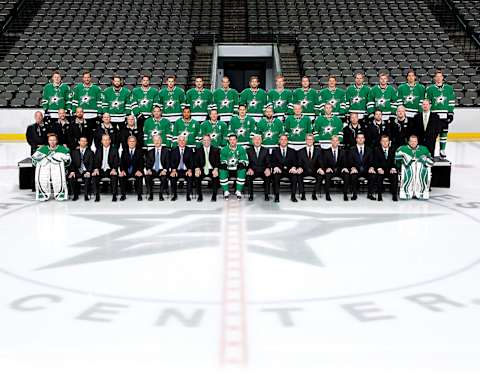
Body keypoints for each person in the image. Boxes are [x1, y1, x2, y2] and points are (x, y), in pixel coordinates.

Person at [32, 133, 71, 201]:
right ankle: (44, 194)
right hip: (45, 168)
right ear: (48, 141)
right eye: (50, 140)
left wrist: (58, 158)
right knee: (42, 178)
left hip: (58, 170)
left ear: (57, 141)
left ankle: (59, 194)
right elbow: (34, 160)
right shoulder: (42, 149)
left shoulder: (62, 149)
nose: (52, 142)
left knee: (58, 179)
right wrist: (43, 159)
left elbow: (68, 160)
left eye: (54, 140)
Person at [425, 69, 455, 158]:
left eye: (440, 77)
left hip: (445, 115)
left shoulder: (449, 88)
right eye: (437, 77)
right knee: (432, 135)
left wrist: (450, 113)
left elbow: (451, 101)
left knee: (444, 133)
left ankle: (442, 150)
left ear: (443, 78)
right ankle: (431, 151)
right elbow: (427, 102)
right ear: (434, 78)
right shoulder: (430, 89)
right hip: (434, 115)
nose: (438, 78)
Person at [395, 135, 434, 200]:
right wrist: (407, 159)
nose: (413, 143)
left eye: (415, 141)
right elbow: (397, 159)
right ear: (408, 142)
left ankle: (421, 192)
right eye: (411, 141)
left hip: (419, 171)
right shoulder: (402, 148)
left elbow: (430, 160)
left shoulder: (424, 149)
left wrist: (422, 159)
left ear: (417, 142)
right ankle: (406, 192)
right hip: (408, 171)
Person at [70, 70, 103, 139]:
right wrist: (73, 111)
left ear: (90, 78)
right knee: (82, 135)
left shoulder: (96, 88)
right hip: (81, 116)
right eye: (85, 77)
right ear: (83, 78)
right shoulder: (77, 88)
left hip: (93, 115)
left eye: (88, 77)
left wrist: (99, 112)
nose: (87, 79)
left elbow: (99, 102)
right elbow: (75, 101)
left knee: (92, 135)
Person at [219, 134, 249, 200]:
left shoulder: (241, 149)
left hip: (237, 170)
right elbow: (222, 161)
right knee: (222, 170)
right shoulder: (224, 149)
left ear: (236, 140)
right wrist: (226, 164)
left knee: (242, 169)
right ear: (229, 141)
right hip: (228, 169)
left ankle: (238, 191)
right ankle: (226, 191)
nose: (232, 141)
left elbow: (245, 160)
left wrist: (240, 163)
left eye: (234, 140)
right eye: (231, 140)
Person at [348, 133, 376, 200]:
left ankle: (370, 194)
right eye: (359, 138)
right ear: (356, 139)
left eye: (362, 138)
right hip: (356, 169)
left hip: (366, 169)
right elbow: (350, 161)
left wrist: (371, 168)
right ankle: (354, 194)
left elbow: (371, 161)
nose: (360, 139)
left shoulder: (369, 149)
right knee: (353, 175)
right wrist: (352, 168)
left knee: (372, 175)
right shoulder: (351, 149)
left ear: (364, 139)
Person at [271, 134, 298, 202]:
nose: (283, 141)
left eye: (285, 139)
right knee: (276, 176)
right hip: (279, 170)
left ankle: (293, 195)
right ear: (279, 141)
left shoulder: (292, 151)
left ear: (287, 141)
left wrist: (294, 167)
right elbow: (272, 162)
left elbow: (295, 162)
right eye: (282, 139)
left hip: (289, 170)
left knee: (294, 176)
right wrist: (275, 167)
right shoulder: (275, 151)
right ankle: (276, 196)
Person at [92, 134, 120, 202]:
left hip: (110, 169)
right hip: (100, 169)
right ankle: (97, 195)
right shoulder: (98, 150)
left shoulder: (114, 150)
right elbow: (95, 160)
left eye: (107, 140)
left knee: (114, 176)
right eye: (104, 140)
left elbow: (117, 161)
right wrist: (96, 169)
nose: (106, 141)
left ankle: (114, 195)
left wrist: (114, 169)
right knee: (95, 176)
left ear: (110, 141)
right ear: (101, 141)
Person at [296, 133, 323, 200]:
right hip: (304, 170)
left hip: (314, 170)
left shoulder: (318, 151)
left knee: (320, 175)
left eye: (311, 139)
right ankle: (302, 193)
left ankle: (314, 193)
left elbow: (320, 163)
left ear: (313, 140)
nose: (309, 141)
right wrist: (299, 167)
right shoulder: (300, 151)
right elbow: (299, 163)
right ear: (305, 140)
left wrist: (320, 168)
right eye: (308, 139)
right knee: (299, 175)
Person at [322, 135, 350, 201]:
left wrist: (345, 167)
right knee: (327, 175)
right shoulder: (326, 152)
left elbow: (345, 162)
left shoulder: (343, 151)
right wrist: (327, 168)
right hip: (330, 170)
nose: (335, 142)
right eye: (333, 140)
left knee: (346, 174)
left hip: (340, 170)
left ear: (338, 142)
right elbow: (323, 163)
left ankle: (345, 194)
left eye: (336, 141)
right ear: (331, 141)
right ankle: (327, 194)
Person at [194, 134, 220, 202]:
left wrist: (216, 169)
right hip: (202, 169)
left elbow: (218, 161)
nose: (206, 142)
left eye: (208, 140)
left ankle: (214, 195)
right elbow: (196, 161)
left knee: (216, 176)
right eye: (204, 140)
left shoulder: (216, 150)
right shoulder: (198, 150)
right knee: (197, 176)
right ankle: (200, 195)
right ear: (202, 141)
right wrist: (197, 168)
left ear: (210, 141)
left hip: (212, 169)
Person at [68, 136, 94, 201]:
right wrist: (72, 171)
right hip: (77, 171)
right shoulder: (74, 152)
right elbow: (72, 163)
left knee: (87, 177)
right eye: (82, 141)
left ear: (87, 142)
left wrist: (89, 171)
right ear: (79, 142)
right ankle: (75, 195)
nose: (83, 142)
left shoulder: (90, 152)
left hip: (86, 170)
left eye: (85, 141)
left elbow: (91, 163)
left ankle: (86, 195)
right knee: (71, 177)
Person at [246, 134, 271, 201]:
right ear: (252, 141)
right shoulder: (248, 150)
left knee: (268, 176)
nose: (257, 141)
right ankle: (250, 195)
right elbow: (246, 162)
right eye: (255, 139)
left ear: (261, 141)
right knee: (248, 177)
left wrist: (268, 168)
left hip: (263, 170)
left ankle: (266, 195)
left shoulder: (266, 150)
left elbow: (268, 162)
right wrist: (249, 168)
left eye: (259, 139)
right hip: (253, 170)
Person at [373, 135, 398, 201]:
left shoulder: (393, 149)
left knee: (394, 175)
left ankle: (394, 195)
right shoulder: (376, 149)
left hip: (390, 169)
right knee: (379, 176)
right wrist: (378, 168)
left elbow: (395, 161)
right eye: (383, 141)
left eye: (386, 141)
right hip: (381, 169)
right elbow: (375, 161)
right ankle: (379, 195)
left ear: (389, 142)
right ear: (380, 142)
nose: (385, 143)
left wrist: (393, 168)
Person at [145, 134, 170, 201]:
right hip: (153, 170)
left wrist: (164, 170)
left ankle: (161, 194)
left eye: (158, 140)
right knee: (147, 176)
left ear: (161, 141)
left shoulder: (166, 151)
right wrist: (148, 169)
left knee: (164, 177)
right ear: (153, 141)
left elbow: (168, 163)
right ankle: (151, 194)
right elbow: (147, 164)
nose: (157, 142)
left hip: (162, 170)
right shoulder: (149, 152)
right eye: (155, 140)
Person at [169, 135, 194, 201]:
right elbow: (171, 161)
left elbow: (192, 161)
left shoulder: (189, 150)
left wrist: (190, 170)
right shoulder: (174, 150)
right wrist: (173, 170)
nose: (182, 142)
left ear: (186, 141)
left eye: (183, 140)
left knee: (190, 177)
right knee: (172, 177)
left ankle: (188, 196)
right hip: (176, 170)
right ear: (177, 142)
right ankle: (174, 195)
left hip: (186, 170)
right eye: (180, 140)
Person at [119, 136, 144, 201]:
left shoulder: (140, 151)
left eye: (133, 141)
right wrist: (122, 171)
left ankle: (139, 195)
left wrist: (139, 170)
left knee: (139, 176)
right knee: (121, 177)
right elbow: (122, 163)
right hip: (127, 171)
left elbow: (141, 163)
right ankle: (123, 195)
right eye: (130, 141)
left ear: (136, 142)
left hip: (136, 171)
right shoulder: (124, 151)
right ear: (128, 142)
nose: (132, 143)